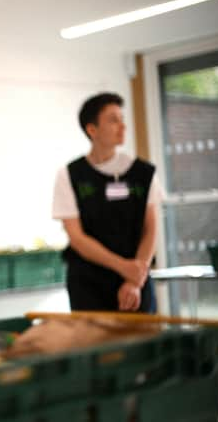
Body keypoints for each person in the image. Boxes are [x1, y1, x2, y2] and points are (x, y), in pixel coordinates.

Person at [52, 92, 163, 313]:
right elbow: (76, 237)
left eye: (122, 119)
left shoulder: (143, 173)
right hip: (88, 284)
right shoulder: (70, 175)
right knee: (96, 345)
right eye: (113, 120)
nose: (122, 126)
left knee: (141, 344)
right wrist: (123, 267)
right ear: (92, 130)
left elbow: (151, 230)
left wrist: (134, 280)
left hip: (136, 281)